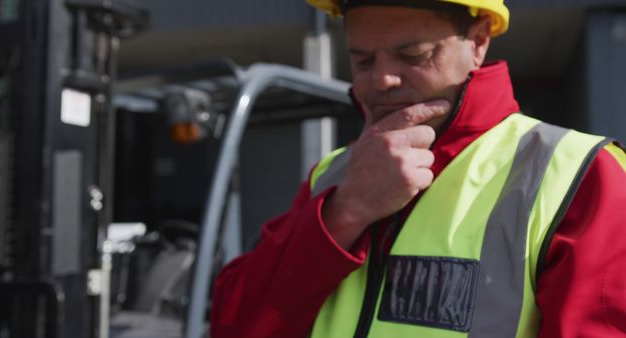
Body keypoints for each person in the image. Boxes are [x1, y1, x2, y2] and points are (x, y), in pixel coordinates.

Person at [210, 0, 626, 337]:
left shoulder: (582, 175)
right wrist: (344, 213)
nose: (383, 79)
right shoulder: (334, 175)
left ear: (478, 41)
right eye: (363, 61)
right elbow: (234, 324)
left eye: (413, 55)